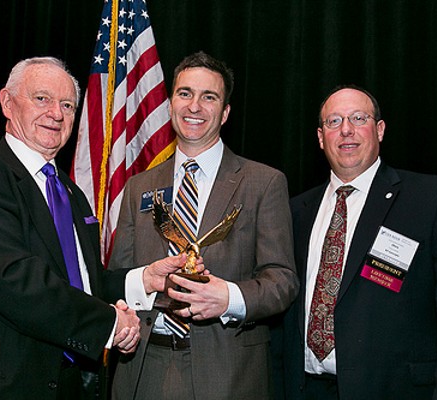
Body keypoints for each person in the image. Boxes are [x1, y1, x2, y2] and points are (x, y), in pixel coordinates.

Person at [0, 56, 195, 400]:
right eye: (42, 99)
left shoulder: (71, 193)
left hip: (71, 385)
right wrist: (108, 324)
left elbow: (81, 280)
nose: (56, 113)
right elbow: (17, 281)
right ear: (7, 103)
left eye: (67, 104)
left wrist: (142, 280)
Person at [272, 85, 437, 399]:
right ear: (321, 138)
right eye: (334, 122)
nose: (346, 130)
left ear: (380, 129)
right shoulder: (295, 211)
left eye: (358, 118)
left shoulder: (431, 198)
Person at [107, 51, 300, 400]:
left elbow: (282, 281)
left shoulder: (263, 182)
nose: (194, 106)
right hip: (142, 369)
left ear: (224, 113)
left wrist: (229, 299)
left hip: (228, 373)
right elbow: (119, 274)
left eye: (208, 97)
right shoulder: (139, 186)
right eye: (185, 93)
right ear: (169, 104)